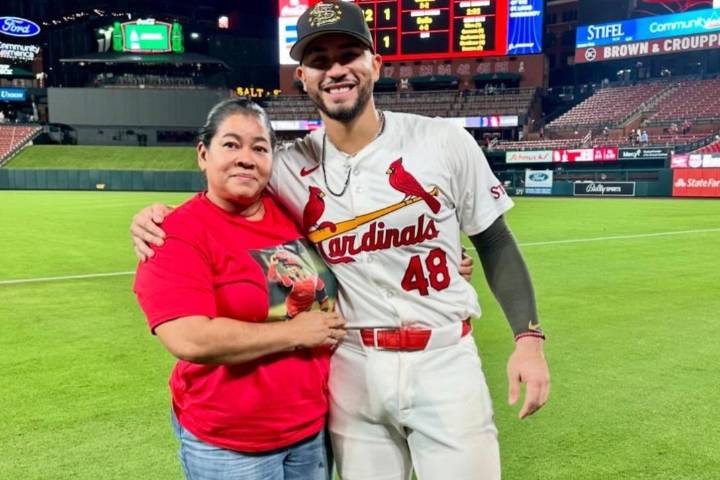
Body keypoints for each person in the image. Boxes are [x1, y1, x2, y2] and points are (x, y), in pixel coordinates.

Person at [131, 2, 550, 479]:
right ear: (303, 78)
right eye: (319, 60)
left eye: (348, 54)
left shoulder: (443, 141)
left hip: (443, 358)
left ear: (376, 63)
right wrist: (155, 217)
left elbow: (495, 241)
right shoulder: (286, 167)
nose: (335, 70)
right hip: (351, 366)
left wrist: (529, 339)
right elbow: (227, 190)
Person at [133, 98, 347, 480]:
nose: (246, 159)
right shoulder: (175, 234)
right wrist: (294, 333)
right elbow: (190, 338)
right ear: (203, 154)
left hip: (311, 431)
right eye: (231, 144)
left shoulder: (291, 211)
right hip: (230, 444)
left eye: (260, 148)